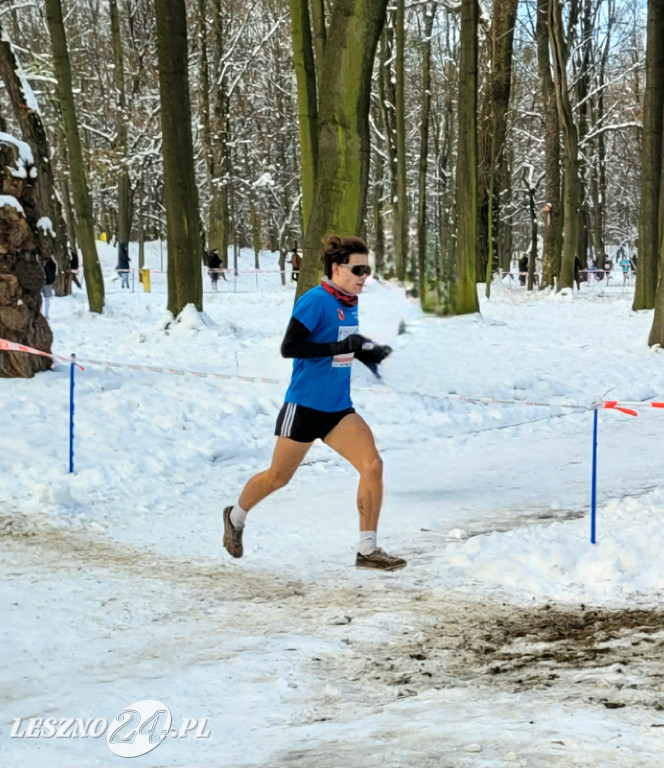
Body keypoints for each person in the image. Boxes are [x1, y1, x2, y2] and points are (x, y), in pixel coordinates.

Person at [222, 234, 405, 571]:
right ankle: (235, 516)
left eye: (368, 269)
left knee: (373, 465)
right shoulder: (314, 301)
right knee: (278, 477)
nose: (365, 276)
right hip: (304, 406)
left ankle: (368, 550)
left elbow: (342, 340)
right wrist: (338, 349)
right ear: (337, 269)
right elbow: (291, 347)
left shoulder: (349, 301)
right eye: (359, 269)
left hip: (338, 409)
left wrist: (371, 354)